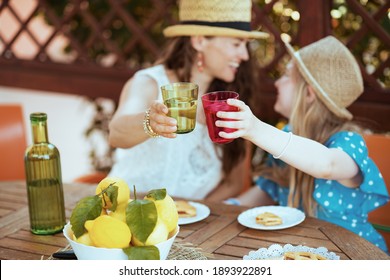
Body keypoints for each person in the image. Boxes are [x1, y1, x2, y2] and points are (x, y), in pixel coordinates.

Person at [216, 36, 389, 252]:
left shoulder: (348, 143)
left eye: (287, 75)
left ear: (308, 94)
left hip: (353, 255)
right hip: (300, 252)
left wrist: (256, 129)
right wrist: (226, 209)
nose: (277, 82)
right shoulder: (288, 137)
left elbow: (327, 166)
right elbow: (269, 190)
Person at [107, 0, 268, 200]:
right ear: (200, 41)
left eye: (245, 45)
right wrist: (151, 122)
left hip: (188, 225)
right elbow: (116, 133)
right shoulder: (150, 83)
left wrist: (192, 214)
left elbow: (233, 183)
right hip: (124, 213)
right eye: (236, 43)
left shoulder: (230, 100)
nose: (244, 55)